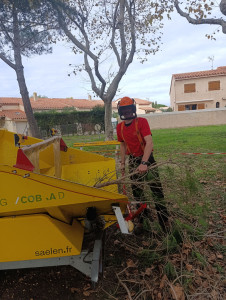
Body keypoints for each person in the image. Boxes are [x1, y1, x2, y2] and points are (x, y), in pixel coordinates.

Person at [116, 96, 170, 233]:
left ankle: (164, 222)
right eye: (124, 110)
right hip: (133, 160)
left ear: (133, 109)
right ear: (121, 111)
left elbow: (149, 142)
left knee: (156, 191)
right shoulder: (119, 127)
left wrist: (145, 162)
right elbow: (122, 145)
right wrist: (122, 162)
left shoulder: (142, 122)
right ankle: (143, 220)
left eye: (129, 109)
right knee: (137, 192)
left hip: (147, 158)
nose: (127, 112)